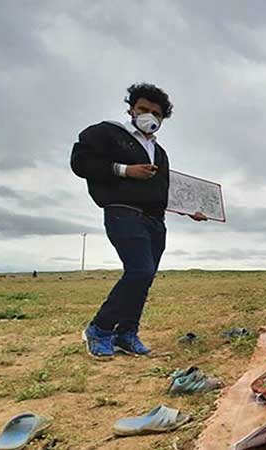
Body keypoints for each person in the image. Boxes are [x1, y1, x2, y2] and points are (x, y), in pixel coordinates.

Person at [70, 83, 206, 359]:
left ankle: (127, 333)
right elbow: (80, 163)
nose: (149, 116)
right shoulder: (107, 133)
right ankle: (100, 328)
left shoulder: (160, 152)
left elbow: (163, 190)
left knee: (145, 278)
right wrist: (124, 170)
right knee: (139, 271)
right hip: (124, 211)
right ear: (131, 109)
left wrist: (189, 209)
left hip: (155, 220)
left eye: (156, 113)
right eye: (143, 109)